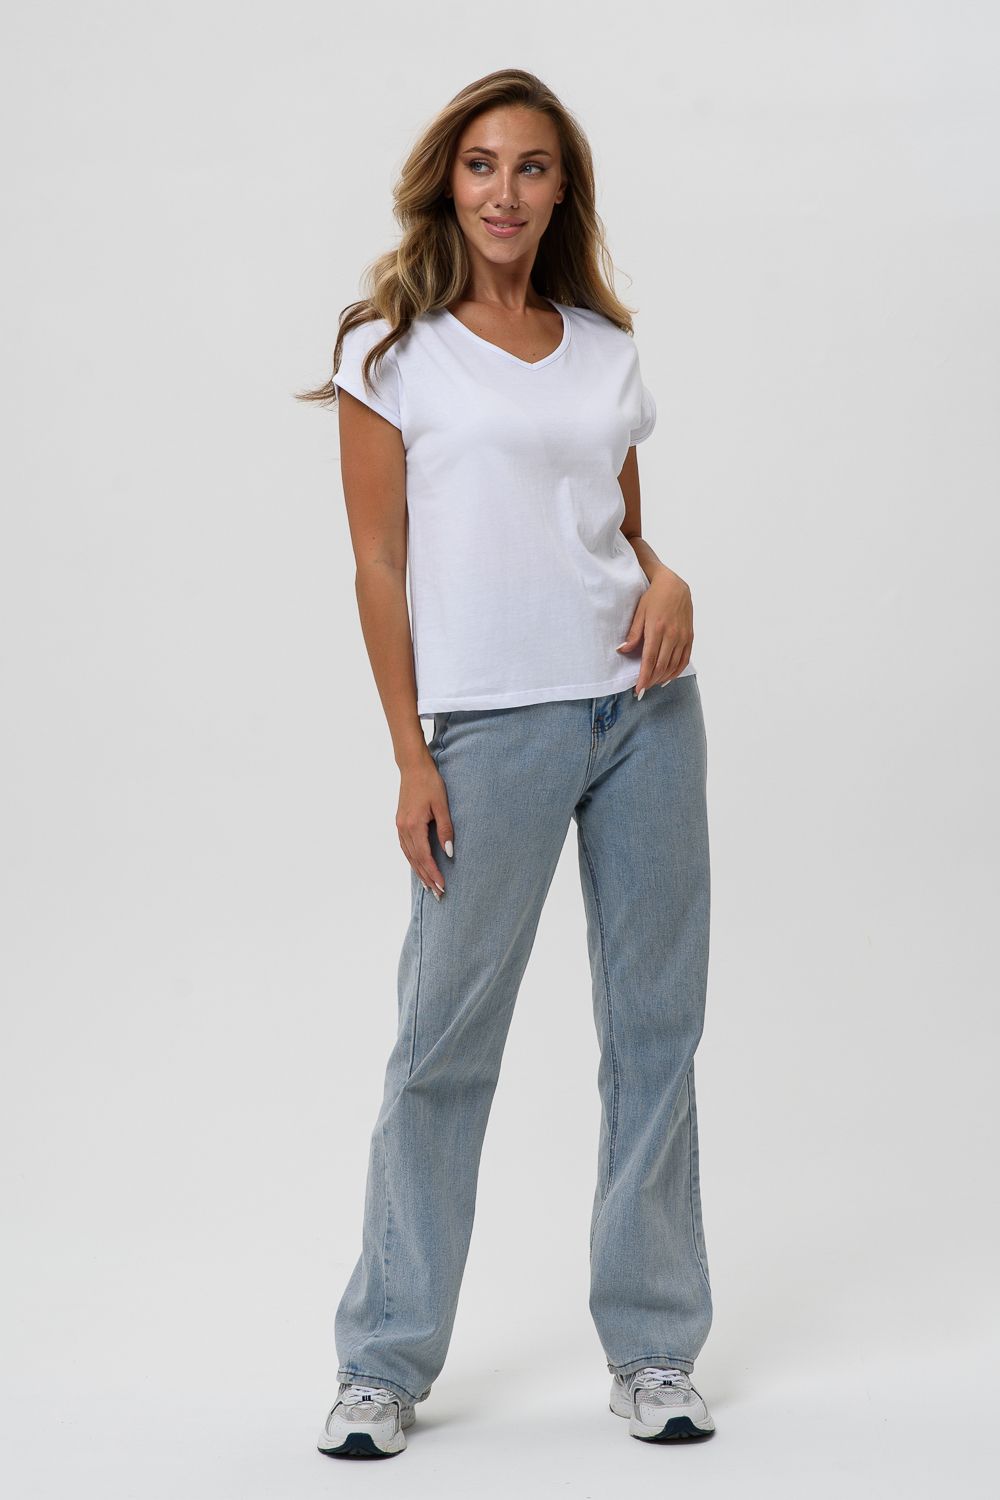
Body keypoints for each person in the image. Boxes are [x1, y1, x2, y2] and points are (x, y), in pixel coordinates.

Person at [298, 67, 716, 1458]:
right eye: (482, 164)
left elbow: (615, 530)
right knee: (443, 1045)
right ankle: (382, 1361)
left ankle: (654, 1350)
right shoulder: (389, 351)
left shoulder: (600, 344)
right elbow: (379, 562)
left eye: (532, 168)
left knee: (654, 1034)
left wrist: (668, 579)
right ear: (447, 180)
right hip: (491, 728)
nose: (505, 191)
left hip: (642, 712)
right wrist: (409, 755)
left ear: (561, 191)